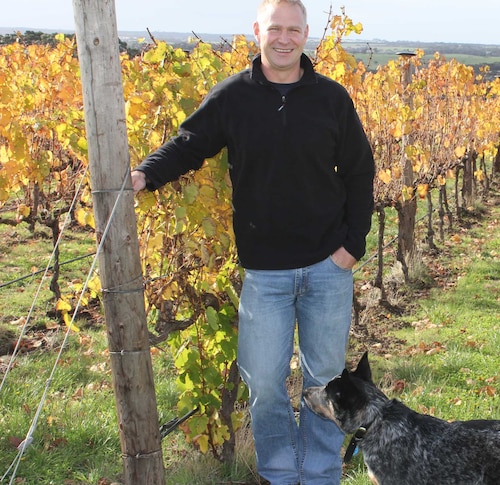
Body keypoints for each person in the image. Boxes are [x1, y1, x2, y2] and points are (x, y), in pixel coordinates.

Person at [131, 0, 375, 483]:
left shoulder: (331, 98)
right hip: (265, 271)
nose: (284, 38)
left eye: (293, 30)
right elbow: (190, 143)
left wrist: (353, 247)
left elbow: (360, 171)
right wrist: (146, 174)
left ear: (305, 35)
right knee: (263, 383)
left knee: (325, 383)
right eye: (274, 29)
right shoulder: (232, 97)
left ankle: (321, 474)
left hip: (329, 267)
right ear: (257, 31)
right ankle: (281, 473)